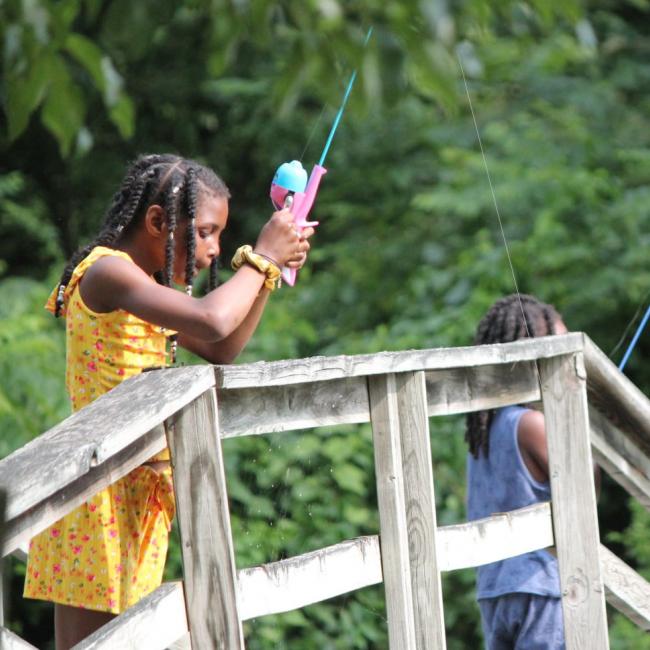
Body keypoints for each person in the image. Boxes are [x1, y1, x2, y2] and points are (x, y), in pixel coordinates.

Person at [23, 153, 314, 649]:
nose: (213, 252)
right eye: (205, 232)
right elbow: (214, 320)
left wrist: (267, 273)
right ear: (157, 221)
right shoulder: (109, 274)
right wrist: (261, 254)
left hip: (136, 495)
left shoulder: (147, 288)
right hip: (95, 497)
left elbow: (223, 347)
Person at [466, 293, 588, 650]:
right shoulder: (532, 424)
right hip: (542, 585)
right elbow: (586, 491)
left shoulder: (484, 431)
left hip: (494, 589)